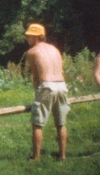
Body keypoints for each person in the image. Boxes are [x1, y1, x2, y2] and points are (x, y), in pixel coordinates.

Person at [23, 23, 68, 160]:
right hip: (61, 85)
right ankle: (63, 155)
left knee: (37, 123)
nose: (27, 38)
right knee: (61, 123)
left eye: (29, 36)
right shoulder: (54, 49)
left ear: (36, 37)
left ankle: (36, 157)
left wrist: (37, 90)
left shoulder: (32, 52)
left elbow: (35, 76)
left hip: (47, 85)